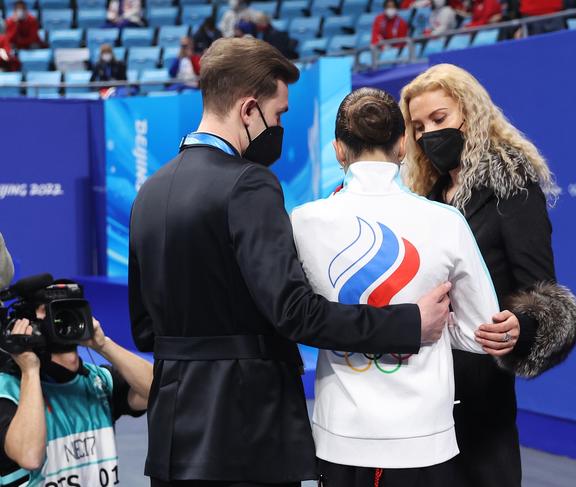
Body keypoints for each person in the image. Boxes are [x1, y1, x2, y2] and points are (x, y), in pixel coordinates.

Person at [128, 37, 450, 487]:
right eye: (277, 114)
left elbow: (144, 328)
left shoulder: (149, 192)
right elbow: (294, 312)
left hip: (170, 438)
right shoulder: (249, 183)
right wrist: (408, 324)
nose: (279, 126)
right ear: (247, 110)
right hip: (244, 436)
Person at [291, 87, 503, 487]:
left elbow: (296, 316)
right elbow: (482, 331)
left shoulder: (303, 221)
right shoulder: (446, 221)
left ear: (339, 151)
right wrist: (436, 327)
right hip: (423, 435)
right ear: (403, 145)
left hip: (340, 434)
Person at [401, 63, 576, 487]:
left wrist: (519, 324)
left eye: (439, 118)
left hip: (481, 387)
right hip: (423, 382)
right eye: (419, 126)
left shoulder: (511, 187)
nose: (429, 133)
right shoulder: (423, 199)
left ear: (470, 112)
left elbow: (545, 293)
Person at [0, 301, 153, 485]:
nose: (58, 320)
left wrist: (103, 345)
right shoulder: (8, 391)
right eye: (46, 313)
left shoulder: (98, 382)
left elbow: (157, 391)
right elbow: (30, 457)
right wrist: (30, 370)